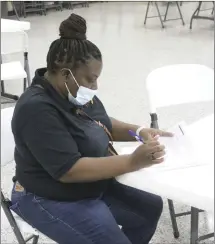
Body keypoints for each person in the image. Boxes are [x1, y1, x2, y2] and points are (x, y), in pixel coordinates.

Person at [11, 14, 173, 244]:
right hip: (44, 194)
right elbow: (69, 171)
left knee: (149, 208)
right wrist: (133, 161)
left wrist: (139, 131)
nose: (95, 87)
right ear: (66, 74)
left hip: (88, 184)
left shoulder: (72, 91)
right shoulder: (36, 110)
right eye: (91, 79)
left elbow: (101, 122)